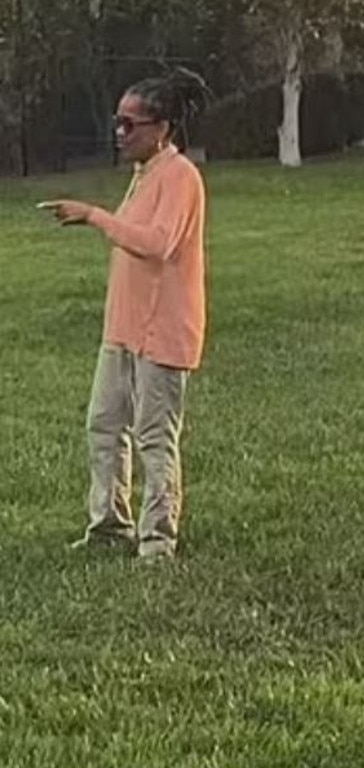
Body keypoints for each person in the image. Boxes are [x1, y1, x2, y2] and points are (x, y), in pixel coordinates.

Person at [38, 68, 212, 562]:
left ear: (161, 128)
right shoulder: (144, 176)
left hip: (164, 332)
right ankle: (110, 526)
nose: (120, 133)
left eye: (129, 124)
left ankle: (157, 542)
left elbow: (158, 245)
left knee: (155, 438)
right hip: (124, 330)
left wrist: (94, 215)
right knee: (104, 425)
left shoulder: (181, 177)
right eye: (118, 123)